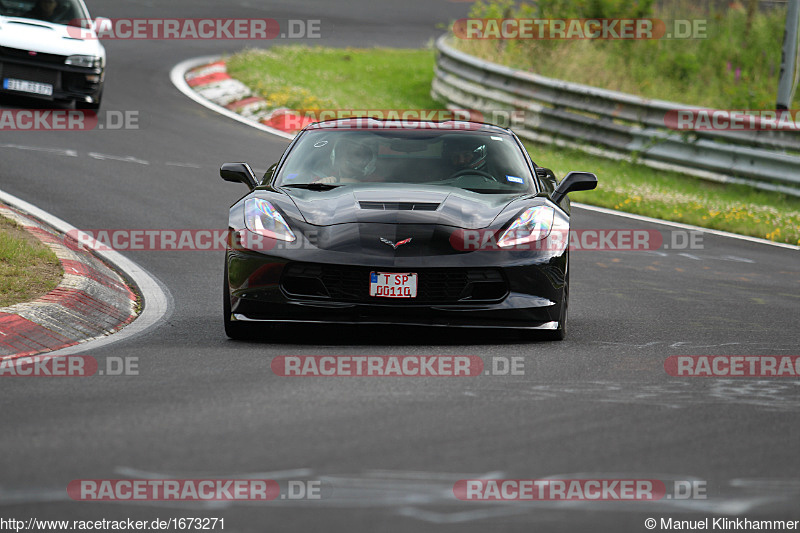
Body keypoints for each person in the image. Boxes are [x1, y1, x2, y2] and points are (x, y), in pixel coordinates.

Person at [313, 137, 377, 184]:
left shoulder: (373, 180)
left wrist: (336, 180)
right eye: (341, 153)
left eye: (356, 154)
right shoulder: (325, 175)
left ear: (366, 161)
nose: (348, 158)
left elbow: (360, 185)